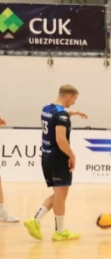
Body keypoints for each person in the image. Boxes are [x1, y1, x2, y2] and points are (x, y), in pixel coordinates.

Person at [24, 84, 89, 242]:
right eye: (74, 99)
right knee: (61, 194)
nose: (74, 102)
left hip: (46, 157)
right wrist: (72, 155)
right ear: (68, 95)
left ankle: (36, 220)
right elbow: (61, 140)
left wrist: (71, 113)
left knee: (59, 194)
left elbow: (56, 118)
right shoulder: (62, 115)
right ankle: (58, 231)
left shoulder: (47, 109)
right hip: (58, 158)